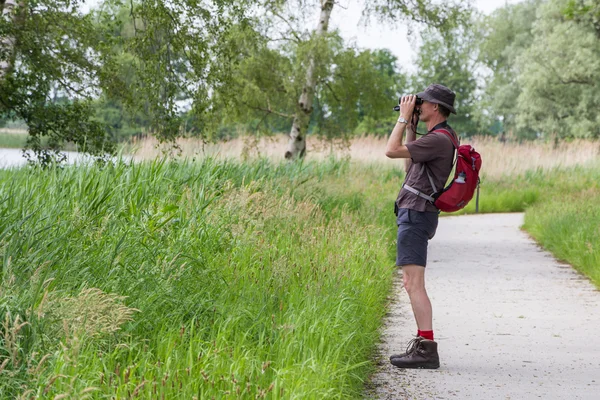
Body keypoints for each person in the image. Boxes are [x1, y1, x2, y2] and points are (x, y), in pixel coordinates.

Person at [384, 83, 458, 369]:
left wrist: (402, 118)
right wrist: (413, 127)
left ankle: (427, 350)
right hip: (416, 213)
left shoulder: (438, 140)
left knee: (414, 284)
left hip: (415, 215)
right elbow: (408, 168)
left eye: (421, 104)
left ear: (435, 107)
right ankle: (423, 343)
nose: (418, 107)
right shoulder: (440, 137)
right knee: (410, 282)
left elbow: (391, 151)